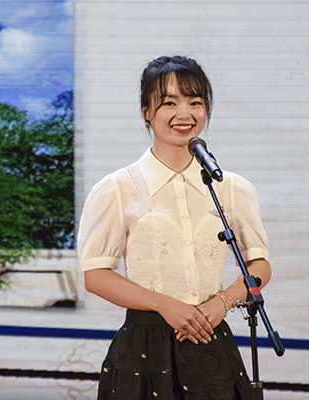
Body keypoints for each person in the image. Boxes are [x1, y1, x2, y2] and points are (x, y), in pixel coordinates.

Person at [78, 55, 272, 400]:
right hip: (144, 348)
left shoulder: (229, 187)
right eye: (169, 103)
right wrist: (166, 306)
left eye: (195, 102)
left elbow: (258, 265)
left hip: (209, 339)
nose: (184, 114)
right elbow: (96, 275)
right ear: (146, 112)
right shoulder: (118, 188)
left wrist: (223, 302)